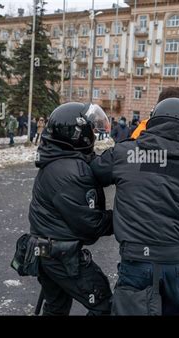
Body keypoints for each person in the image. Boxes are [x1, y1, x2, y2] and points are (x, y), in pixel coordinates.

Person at [90, 98, 179, 315]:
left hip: (136, 259)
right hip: (176, 260)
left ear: (153, 121)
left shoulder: (123, 153)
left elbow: (95, 172)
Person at [29, 102, 113, 316]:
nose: (93, 133)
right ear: (78, 133)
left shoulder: (60, 157)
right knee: (103, 303)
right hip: (61, 255)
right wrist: (124, 218)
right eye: (90, 129)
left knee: (56, 306)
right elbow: (90, 225)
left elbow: (93, 165)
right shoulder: (70, 170)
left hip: (46, 250)